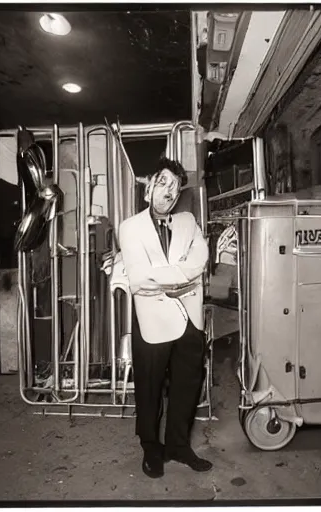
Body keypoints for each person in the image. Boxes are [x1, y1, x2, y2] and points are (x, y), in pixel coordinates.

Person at [119, 157, 213, 478]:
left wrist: (174, 274)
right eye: (163, 183)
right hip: (152, 320)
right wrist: (183, 276)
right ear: (149, 188)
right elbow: (140, 280)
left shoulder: (188, 221)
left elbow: (200, 260)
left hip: (188, 319)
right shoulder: (130, 228)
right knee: (149, 387)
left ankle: (178, 445)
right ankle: (151, 448)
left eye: (175, 187)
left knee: (188, 384)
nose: (169, 192)